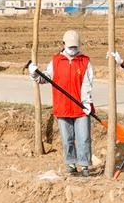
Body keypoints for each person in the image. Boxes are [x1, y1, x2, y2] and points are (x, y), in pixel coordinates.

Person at [27, 30, 95, 176]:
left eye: (75, 47)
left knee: (84, 138)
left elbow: (87, 83)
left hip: (81, 108)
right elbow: (45, 79)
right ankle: (71, 164)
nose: (73, 50)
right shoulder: (56, 61)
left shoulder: (85, 61)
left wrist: (87, 102)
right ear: (63, 44)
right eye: (70, 47)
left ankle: (84, 166)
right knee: (67, 139)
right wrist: (35, 73)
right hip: (62, 107)